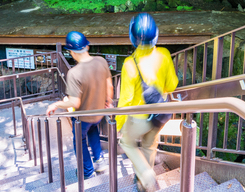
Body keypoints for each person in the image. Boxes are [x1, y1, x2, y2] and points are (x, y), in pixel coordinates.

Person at [116, 13, 178, 192]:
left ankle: (146, 176)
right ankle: (144, 185)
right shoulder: (164, 54)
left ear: (132, 37)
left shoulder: (129, 64)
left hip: (139, 118)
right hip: (158, 115)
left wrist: (118, 124)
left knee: (126, 143)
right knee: (149, 146)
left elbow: (126, 100)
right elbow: (172, 85)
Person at [47, 31, 113, 179]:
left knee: (79, 140)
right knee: (93, 130)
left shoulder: (74, 73)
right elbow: (110, 86)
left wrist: (57, 104)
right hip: (99, 113)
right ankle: (100, 161)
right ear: (87, 46)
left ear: (71, 52)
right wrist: (108, 101)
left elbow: (75, 102)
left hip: (83, 117)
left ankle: (88, 172)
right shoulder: (101, 61)